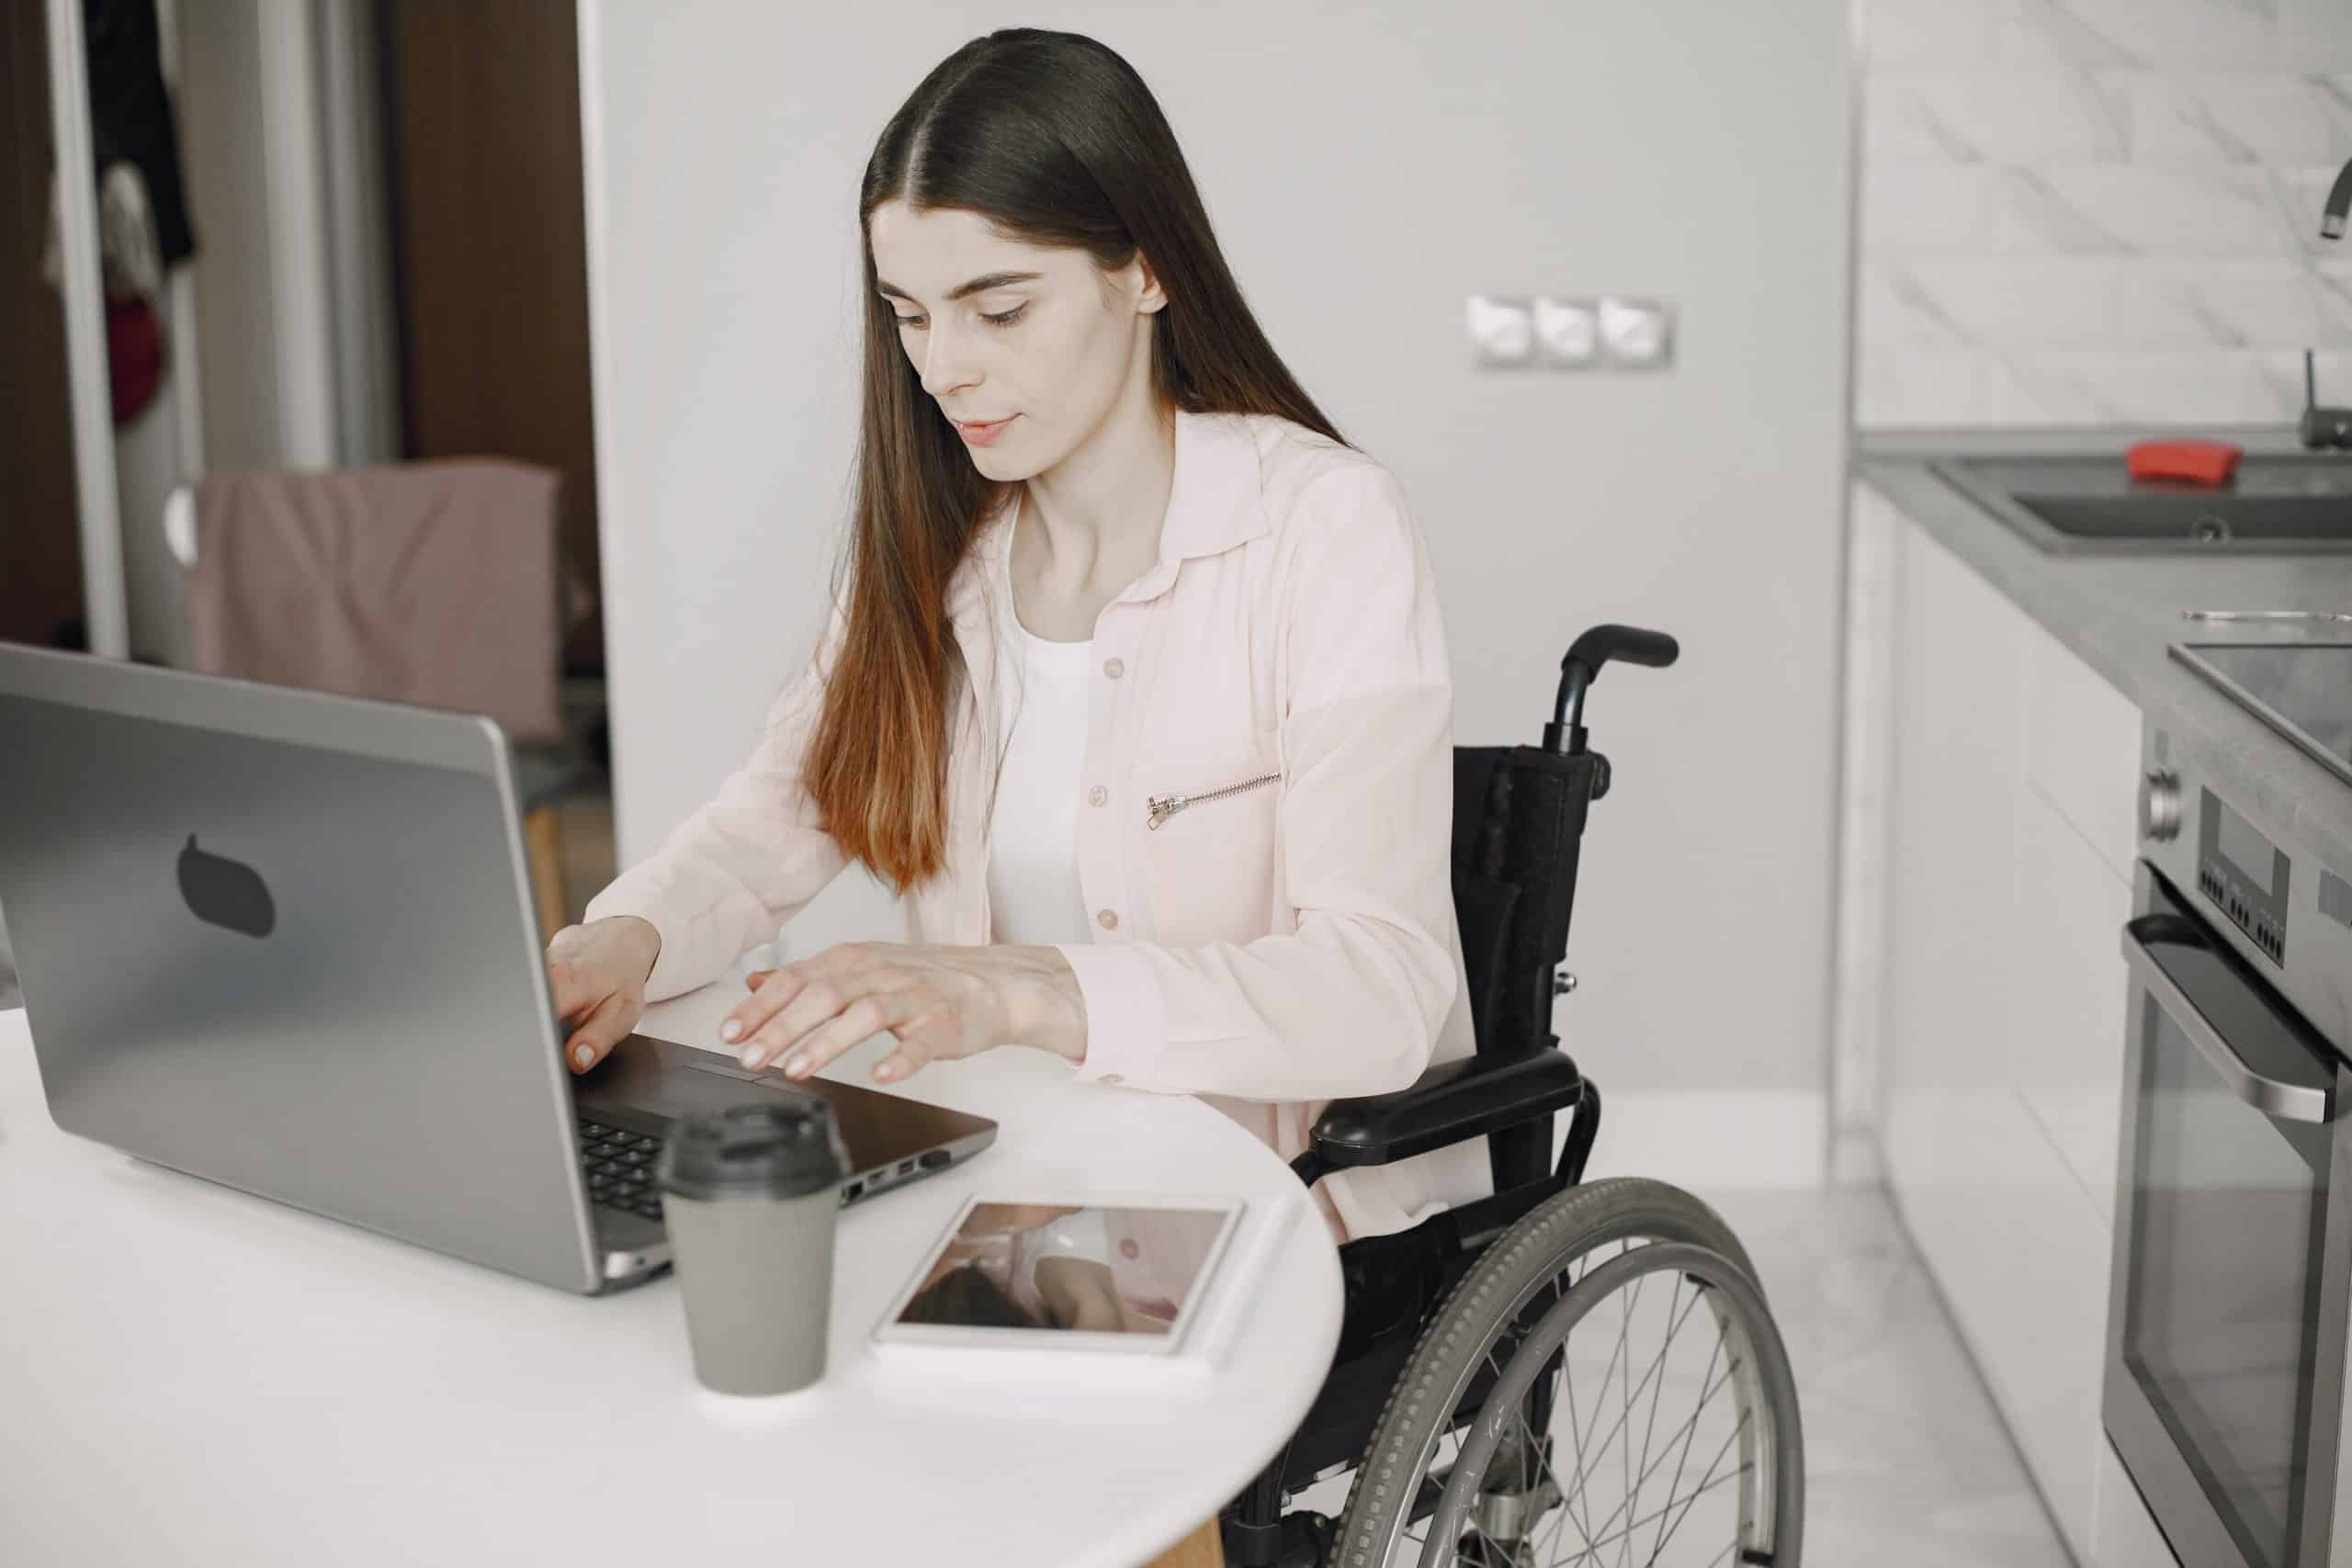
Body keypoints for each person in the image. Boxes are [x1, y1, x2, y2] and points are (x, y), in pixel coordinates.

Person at [543, 28, 1489, 1565]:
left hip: (1259, 1193)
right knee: (717, 1372)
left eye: (999, 304)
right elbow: (771, 823)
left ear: (1145, 272)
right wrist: (625, 943)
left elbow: (1384, 990)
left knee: (962, 1448)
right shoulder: (940, 559)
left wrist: (1018, 991)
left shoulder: (1323, 528)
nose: (946, 366)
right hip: (1003, 1169)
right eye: (911, 314)